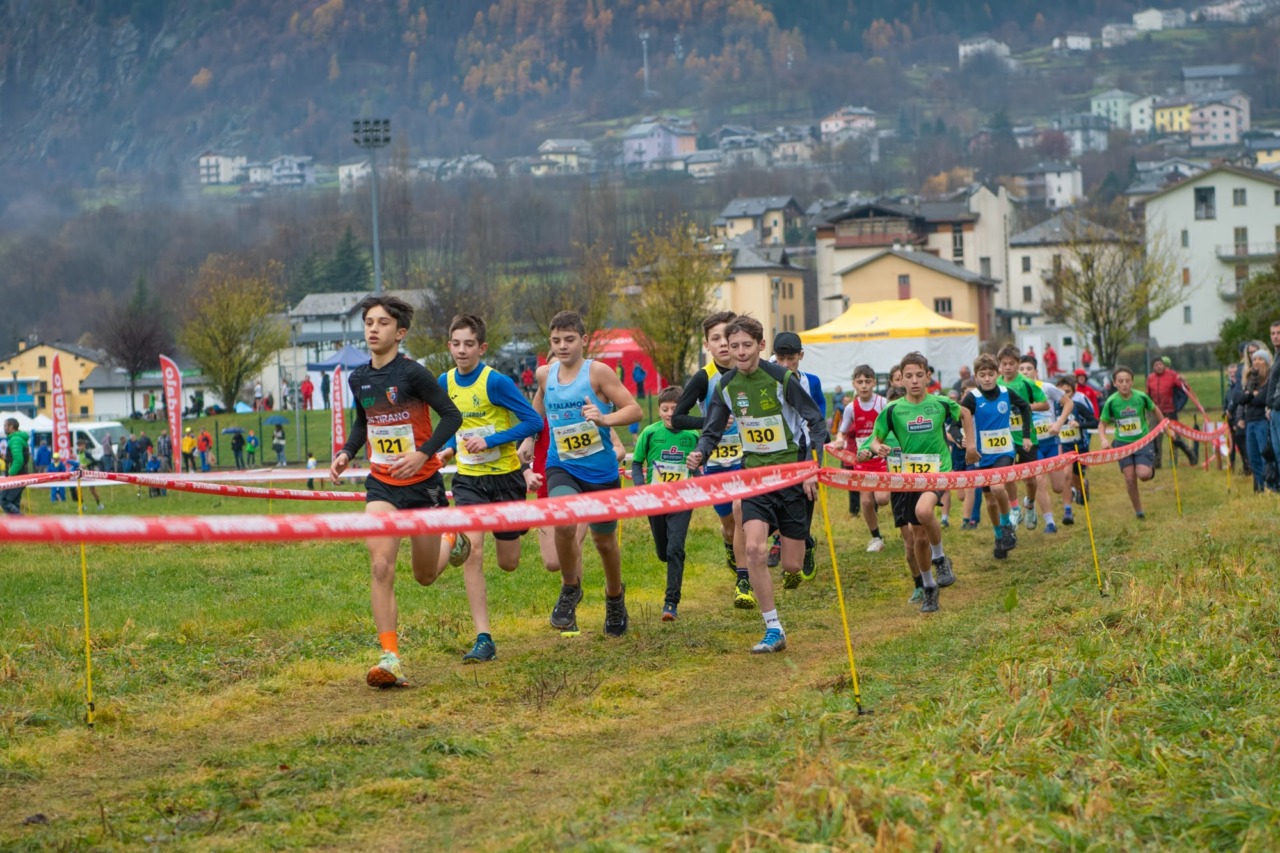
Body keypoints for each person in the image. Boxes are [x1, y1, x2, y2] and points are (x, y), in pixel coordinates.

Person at [329, 294, 469, 689]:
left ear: (400, 332)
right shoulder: (359, 379)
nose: (373, 329)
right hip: (382, 485)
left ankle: (452, 541)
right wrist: (346, 452)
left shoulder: (415, 375)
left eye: (382, 323)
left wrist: (422, 453)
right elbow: (364, 423)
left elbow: (452, 416)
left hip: (423, 484)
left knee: (424, 576)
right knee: (380, 566)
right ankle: (389, 657)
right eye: (369, 322)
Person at [687, 315, 828, 652]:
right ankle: (773, 628)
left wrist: (812, 468)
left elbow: (816, 423)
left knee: (792, 565)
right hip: (754, 477)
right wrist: (700, 453)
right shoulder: (725, 386)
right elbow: (713, 430)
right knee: (754, 549)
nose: (739, 352)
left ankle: (801, 543)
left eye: (746, 345)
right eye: (733, 346)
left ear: (761, 346)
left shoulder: (783, 378)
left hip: (791, 476)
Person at [526, 311, 641, 637]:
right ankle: (569, 587)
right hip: (561, 466)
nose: (562, 346)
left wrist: (605, 420)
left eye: (569, 340)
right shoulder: (545, 375)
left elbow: (635, 409)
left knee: (604, 542)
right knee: (563, 519)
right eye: (556, 341)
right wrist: (527, 439)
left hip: (600, 472)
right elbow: (538, 406)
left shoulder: (598, 373)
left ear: (583, 340)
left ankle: (615, 597)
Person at [438, 313, 542, 663]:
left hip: (506, 479)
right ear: (449, 345)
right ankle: (484, 638)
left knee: (509, 562)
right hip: (469, 480)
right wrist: (449, 448)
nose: (462, 350)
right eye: (456, 344)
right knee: (474, 552)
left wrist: (492, 439)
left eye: (469, 344)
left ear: (481, 347)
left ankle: (530, 521)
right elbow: (453, 423)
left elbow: (533, 421)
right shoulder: (444, 382)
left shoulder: (495, 383)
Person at [869, 353, 977, 613]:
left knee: (923, 511)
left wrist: (971, 446)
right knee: (918, 538)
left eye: (919, 375)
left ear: (928, 376)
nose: (914, 380)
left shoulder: (940, 403)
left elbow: (964, 414)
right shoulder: (893, 409)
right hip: (909, 477)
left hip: (938, 470)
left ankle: (940, 558)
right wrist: (878, 447)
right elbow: (875, 438)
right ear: (901, 379)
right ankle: (929, 587)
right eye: (909, 376)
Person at [670, 310, 753, 609]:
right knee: (730, 524)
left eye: (726, 337)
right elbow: (677, 417)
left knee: (741, 509)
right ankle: (731, 546)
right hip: (716, 461)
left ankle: (743, 580)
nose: (722, 344)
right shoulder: (704, 378)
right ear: (707, 344)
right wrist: (709, 422)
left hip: (747, 458)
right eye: (714, 338)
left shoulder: (751, 372)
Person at [632, 386, 699, 620]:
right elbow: (636, 463)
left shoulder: (693, 435)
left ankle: (671, 602)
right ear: (659, 411)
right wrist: (640, 489)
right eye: (665, 409)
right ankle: (672, 558)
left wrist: (698, 483)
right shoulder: (650, 433)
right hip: (655, 500)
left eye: (675, 409)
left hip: (682, 499)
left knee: (675, 548)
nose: (670, 413)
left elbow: (700, 467)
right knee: (664, 552)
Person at [961, 354, 1031, 560]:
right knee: (990, 501)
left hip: (1005, 451)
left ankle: (1007, 524)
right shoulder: (972, 397)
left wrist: (1026, 435)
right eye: (982, 375)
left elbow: (1026, 407)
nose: (987, 379)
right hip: (982, 456)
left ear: (997, 374)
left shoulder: (1005, 392)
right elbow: (959, 418)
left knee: (998, 487)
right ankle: (999, 536)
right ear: (976, 377)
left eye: (991, 374)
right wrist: (964, 440)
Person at [770, 331, 825, 582]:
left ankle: (806, 541)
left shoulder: (811, 382)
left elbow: (818, 420)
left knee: (804, 503)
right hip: (774, 451)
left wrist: (813, 466)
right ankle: (781, 539)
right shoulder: (764, 377)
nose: (785, 365)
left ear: (800, 356)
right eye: (780, 358)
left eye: (790, 358)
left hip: (803, 451)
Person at [834, 364, 890, 552]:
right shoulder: (851, 408)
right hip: (863, 461)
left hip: (882, 460)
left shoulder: (882, 403)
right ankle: (876, 537)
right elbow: (841, 432)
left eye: (867, 381)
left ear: (874, 382)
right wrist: (839, 441)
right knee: (865, 501)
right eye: (860, 382)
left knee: (882, 500)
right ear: (854, 384)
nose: (864, 385)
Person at [1019, 355, 1073, 534]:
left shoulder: (1047, 388)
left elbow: (1068, 404)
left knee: (1058, 487)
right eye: (1022, 369)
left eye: (1028, 368)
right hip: (1031, 444)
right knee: (1039, 480)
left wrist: (1058, 424)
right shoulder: (1014, 391)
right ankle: (1049, 522)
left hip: (1050, 441)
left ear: (1036, 371)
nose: (1025, 372)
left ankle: (1030, 495)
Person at [1098, 366, 1160, 518]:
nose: (1124, 384)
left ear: (1132, 382)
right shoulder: (1111, 402)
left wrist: (1165, 426)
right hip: (1122, 443)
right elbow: (1102, 423)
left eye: (1127, 381)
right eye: (1120, 381)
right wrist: (1103, 439)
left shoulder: (1141, 397)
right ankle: (1139, 511)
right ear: (1115, 383)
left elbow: (1154, 409)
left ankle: (1150, 470)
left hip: (1142, 441)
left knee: (1143, 475)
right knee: (1130, 477)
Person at [996, 345, 1047, 528]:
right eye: (1004, 364)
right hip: (1004, 438)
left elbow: (1045, 404)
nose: (1008, 367)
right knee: (1008, 475)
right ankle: (1015, 509)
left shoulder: (1026, 383)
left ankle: (1030, 504)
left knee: (1029, 479)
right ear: (999, 365)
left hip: (1026, 437)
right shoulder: (996, 384)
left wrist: (1025, 407)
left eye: (1011, 363)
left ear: (1018, 364)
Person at [1055, 373, 1098, 518]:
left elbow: (1095, 422)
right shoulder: (1053, 408)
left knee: (1076, 478)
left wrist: (1080, 424)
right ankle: (1067, 511)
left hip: (1080, 447)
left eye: (1067, 392)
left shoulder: (1078, 406)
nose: (1064, 395)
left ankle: (1083, 486)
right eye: (1060, 392)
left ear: (1073, 392)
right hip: (1064, 448)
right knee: (1066, 475)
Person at [1146, 356, 1200, 468]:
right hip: (1155, 411)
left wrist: (1184, 381)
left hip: (1170, 411)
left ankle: (1177, 459)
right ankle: (1156, 462)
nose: (1159, 366)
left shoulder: (1172, 375)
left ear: (1164, 365)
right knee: (1154, 438)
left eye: (1160, 364)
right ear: (1153, 367)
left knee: (1174, 437)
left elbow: (1184, 389)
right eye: (1156, 365)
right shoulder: (1150, 378)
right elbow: (1148, 394)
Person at [1237, 347, 1275, 493]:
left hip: (1262, 421)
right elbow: (1241, 399)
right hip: (1250, 421)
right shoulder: (1250, 379)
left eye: (1260, 359)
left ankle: (1269, 486)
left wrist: (1250, 396)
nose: (1257, 361)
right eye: (1254, 359)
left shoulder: (1269, 379)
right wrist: (1252, 394)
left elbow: (1262, 399)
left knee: (1264, 455)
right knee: (1253, 458)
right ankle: (1259, 488)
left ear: (1266, 362)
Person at [1224, 362, 1249, 475]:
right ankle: (1237, 464)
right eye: (1231, 373)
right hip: (1231, 419)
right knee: (1235, 443)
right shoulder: (1229, 388)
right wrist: (1225, 411)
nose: (1233, 375)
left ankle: (1248, 466)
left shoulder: (1240, 386)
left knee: (1242, 441)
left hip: (1240, 417)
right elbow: (1226, 402)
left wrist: (1230, 410)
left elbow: (1237, 400)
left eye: (1235, 373)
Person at [1, 418, 29, 515]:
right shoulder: (18, 438)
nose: (4, 428)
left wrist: (10, 474)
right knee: (14, 503)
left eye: (5, 426)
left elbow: (18, 460)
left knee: (4, 501)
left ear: (11, 427)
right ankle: (19, 528)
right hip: (21, 476)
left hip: (16, 477)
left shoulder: (15, 439)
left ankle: (22, 521)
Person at [1265, 321, 1280, 466]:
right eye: (1273, 333)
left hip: (1278, 407)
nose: (1275, 337)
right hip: (1274, 410)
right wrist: (1269, 406)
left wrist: (1275, 403)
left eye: (1279, 333)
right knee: (1277, 452)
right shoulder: (1276, 356)